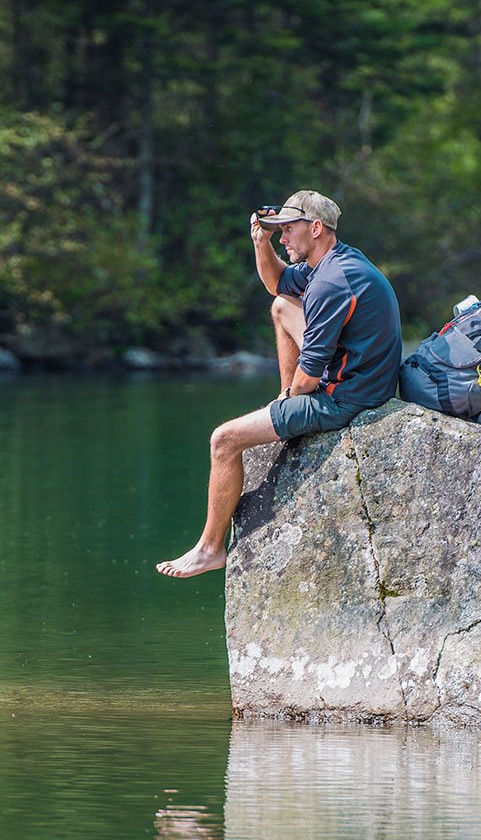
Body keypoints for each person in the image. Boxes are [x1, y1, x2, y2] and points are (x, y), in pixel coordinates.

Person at [156, 189, 401, 578]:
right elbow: (278, 285)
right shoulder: (336, 262)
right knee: (283, 306)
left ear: (316, 228)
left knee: (223, 440)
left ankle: (210, 548)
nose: (283, 238)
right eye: (279, 232)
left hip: (349, 398)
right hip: (362, 380)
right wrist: (261, 243)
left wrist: (292, 397)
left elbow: (310, 375)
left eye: (288, 230)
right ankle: (285, 406)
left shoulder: (331, 283)